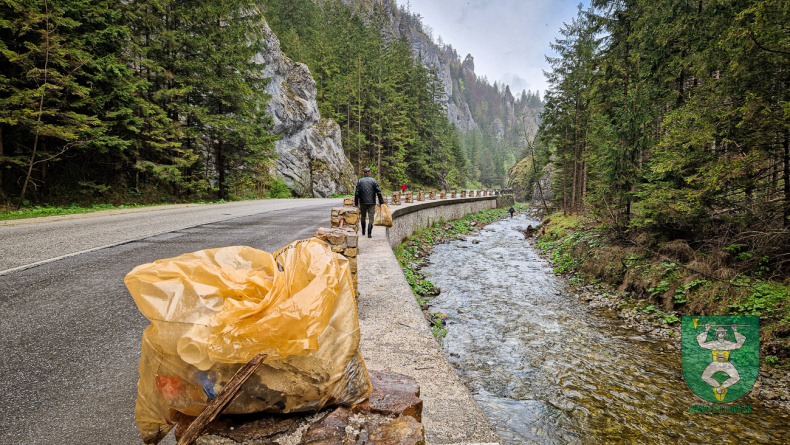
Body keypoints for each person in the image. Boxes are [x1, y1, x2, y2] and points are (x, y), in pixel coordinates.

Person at [696, 324, 746, 401]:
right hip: (715, 363)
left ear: (725, 334)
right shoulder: (713, 343)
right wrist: (706, 330)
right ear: (717, 334)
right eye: (719, 333)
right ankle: (717, 387)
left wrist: (735, 331)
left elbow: (739, 344)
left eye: (722, 333)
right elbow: (701, 344)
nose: (721, 334)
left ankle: (721, 388)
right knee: (704, 377)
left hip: (726, 363)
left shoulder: (729, 343)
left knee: (736, 377)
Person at [354, 167, 385, 238]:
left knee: (363, 216)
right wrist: (381, 202)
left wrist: (356, 204)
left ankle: (363, 231)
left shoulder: (360, 181)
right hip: (372, 202)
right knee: (371, 217)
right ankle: (369, 233)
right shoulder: (373, 181)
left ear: (363, 173)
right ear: (370, 173)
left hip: (362, 202)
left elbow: (356, 193)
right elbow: (379, 192)